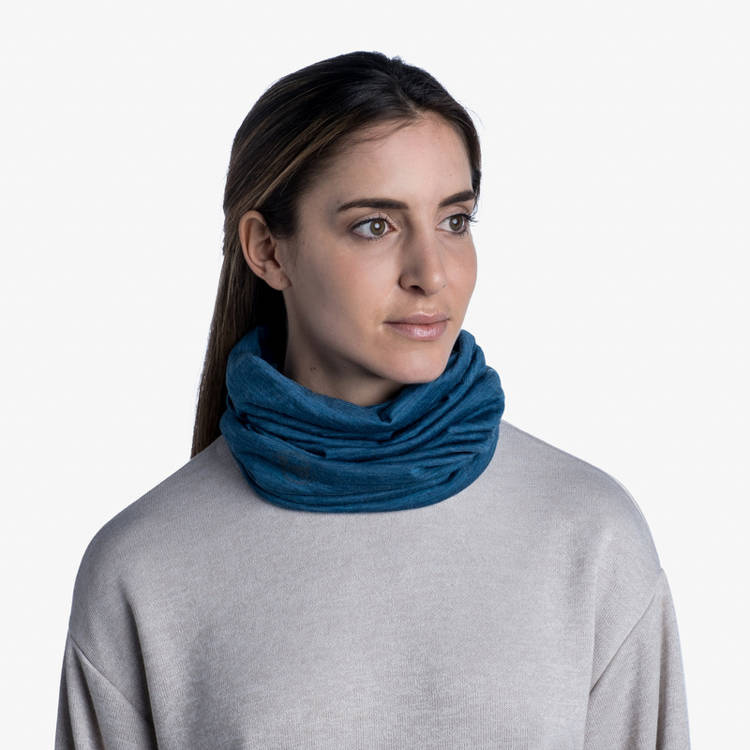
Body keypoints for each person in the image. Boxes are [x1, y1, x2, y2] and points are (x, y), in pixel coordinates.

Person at [54, 50, 691, 748]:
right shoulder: (145, 567)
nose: (431, 273)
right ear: (268, 250)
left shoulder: (591, 538)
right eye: (375, 225)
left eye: (454, 221)